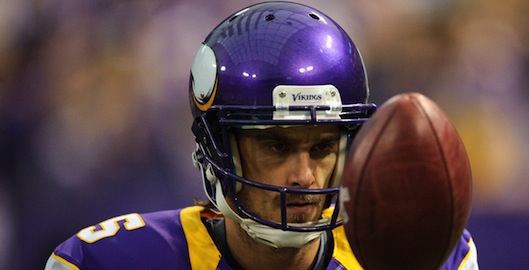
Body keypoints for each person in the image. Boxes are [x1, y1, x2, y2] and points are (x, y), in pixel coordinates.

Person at [45, 2, 478, 269]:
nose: (305, 176)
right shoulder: (112, 262)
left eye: (323, 146)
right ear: (217, 146)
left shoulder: (412, 252)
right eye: (278, 145)